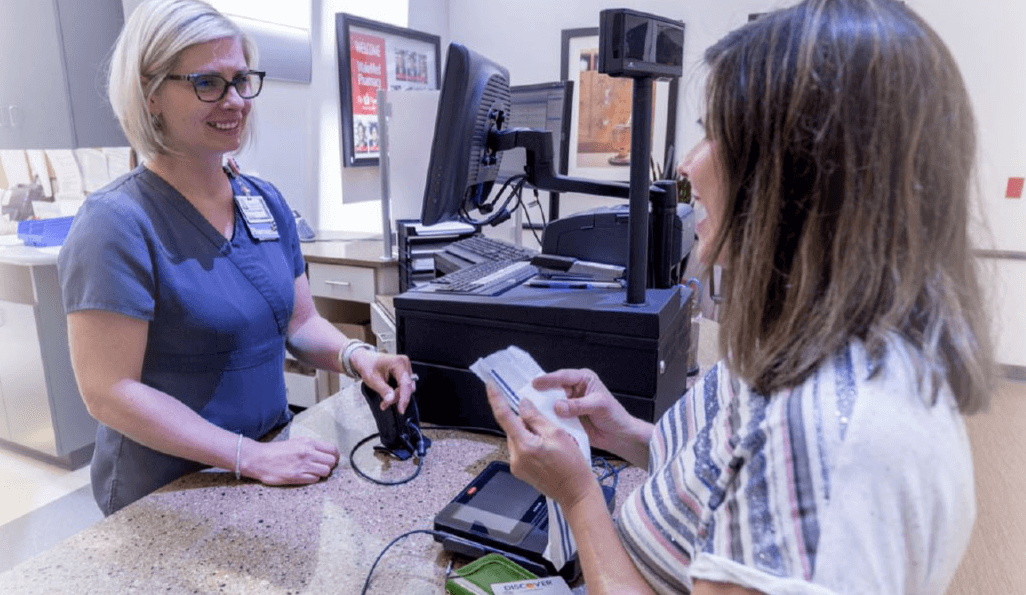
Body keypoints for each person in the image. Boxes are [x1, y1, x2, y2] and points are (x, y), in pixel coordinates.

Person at [485, 0, 994, 593]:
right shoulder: (817, 338)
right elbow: (729, 472)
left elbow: (776, 468)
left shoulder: (821, 440)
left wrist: (577, 497)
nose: (687, 165)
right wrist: (621, 432)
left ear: (803, 179)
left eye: (716, 137)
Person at [57, 0, 415, 516]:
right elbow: (109, 392)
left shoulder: (262, 201)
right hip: (168, 489)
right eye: (208, 83)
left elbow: (301, 320)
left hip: (269, 462)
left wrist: (357, 359)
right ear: (150, 94)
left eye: (241, 80)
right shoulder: (114, 223)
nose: (235, 101)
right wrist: (250, 457)